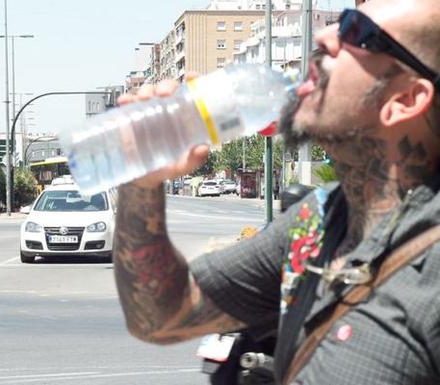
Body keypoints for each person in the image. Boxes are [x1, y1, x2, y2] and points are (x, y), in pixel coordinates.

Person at [112, 1, 440, 384]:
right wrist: (142, 181)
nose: (324, 36)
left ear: (405, 100)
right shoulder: (319, 220)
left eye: (355, 31)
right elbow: (162, 315)